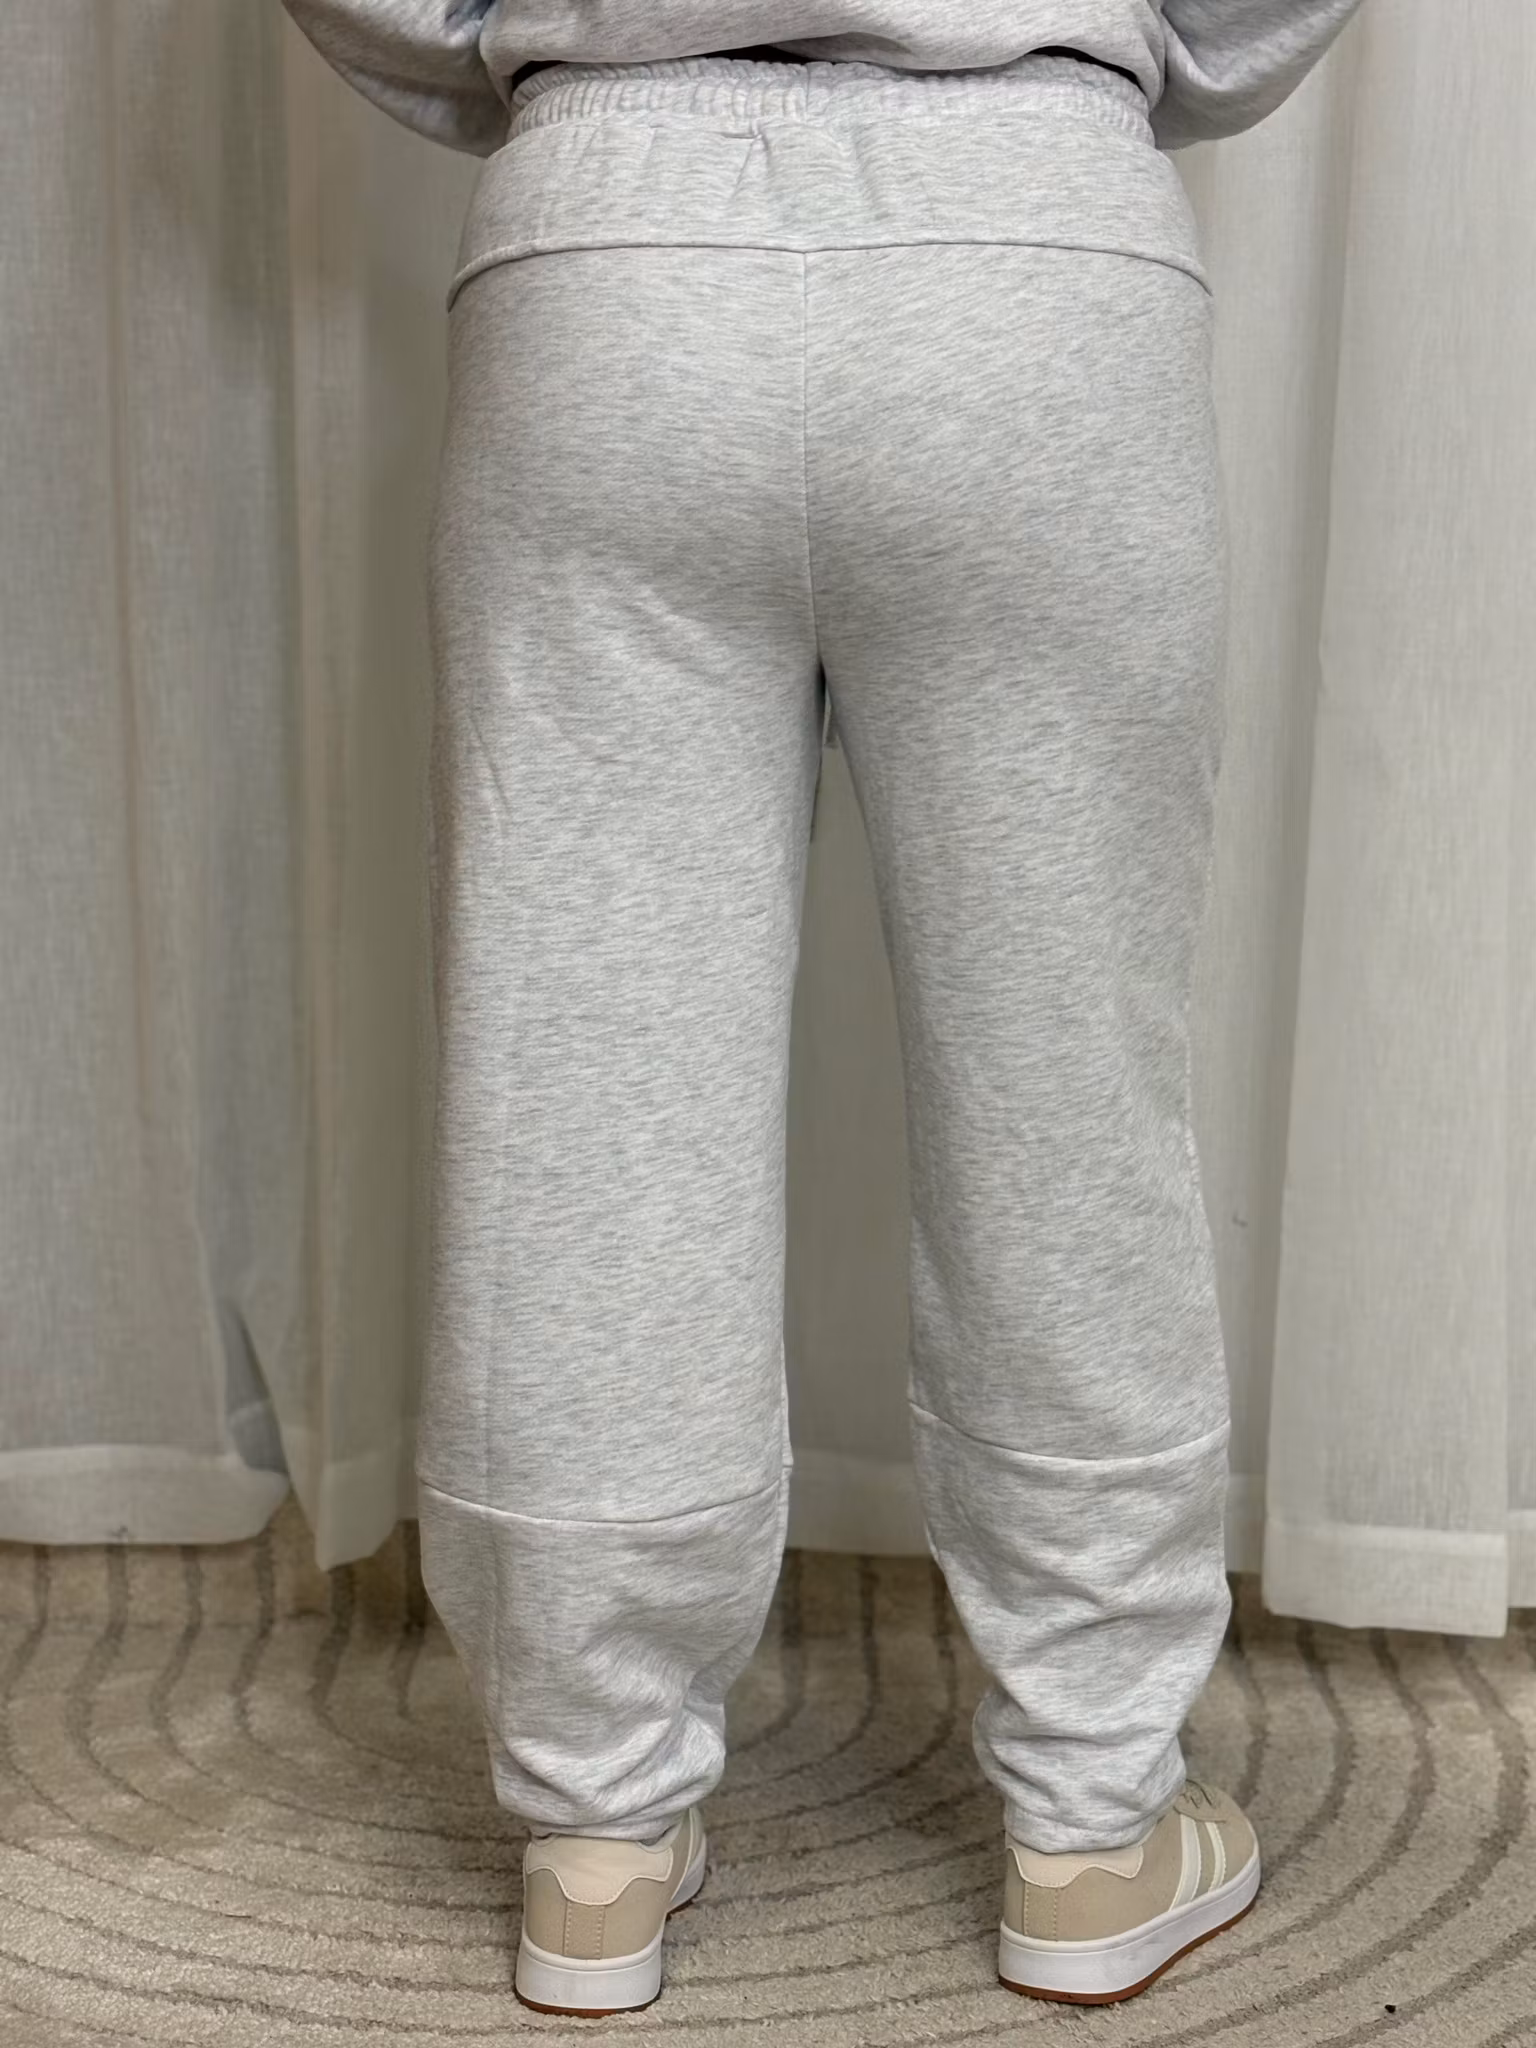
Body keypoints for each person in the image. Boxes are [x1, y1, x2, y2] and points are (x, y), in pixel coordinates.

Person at [281, 0, 1364, 2016]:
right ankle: (1094, 1820)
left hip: (614, 257)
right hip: (1034, 252)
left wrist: (528, 52)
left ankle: (598, 1830)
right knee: (1067, 1101)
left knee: (585, 1093)